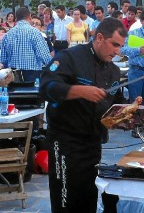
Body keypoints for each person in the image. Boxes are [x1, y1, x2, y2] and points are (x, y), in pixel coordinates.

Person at [39, 17, 128, 213]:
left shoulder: (113, 70)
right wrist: (79, 91)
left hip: (93, 142)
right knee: (65, 200)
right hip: (64, 141)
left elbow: (117, 102)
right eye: (114, 45)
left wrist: (129, 112)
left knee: (88, 196)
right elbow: (46, 87)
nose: (117, 51)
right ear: (99, 37)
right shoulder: (69, 57)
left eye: (120, 47)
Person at [0, 7, 52, 81]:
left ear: (16, 18)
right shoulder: (35, 33)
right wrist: (55, 69)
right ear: (30, 17)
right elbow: (45, 57)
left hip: (13, 75)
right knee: (31, 92)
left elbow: (3, 60)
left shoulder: (7, 35)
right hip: (33, 74)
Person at [121, 10, 144, 106]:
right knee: (135, 102)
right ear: (141, 21)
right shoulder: (133, 33)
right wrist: (138, 50)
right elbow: (123, 50)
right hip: (136, 70)